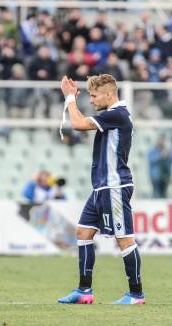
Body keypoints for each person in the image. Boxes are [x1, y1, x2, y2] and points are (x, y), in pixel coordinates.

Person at [57, 74, 145, 305]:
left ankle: (136, 294)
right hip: (101, 187)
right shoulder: (112, 114)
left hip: (114, 186)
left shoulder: (117, 114)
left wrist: (69, 99)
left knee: (124, 239)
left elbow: (77, 124)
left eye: (94, 96)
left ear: (109, 94)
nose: (92, 100)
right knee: (83, 233)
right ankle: (84, 291)